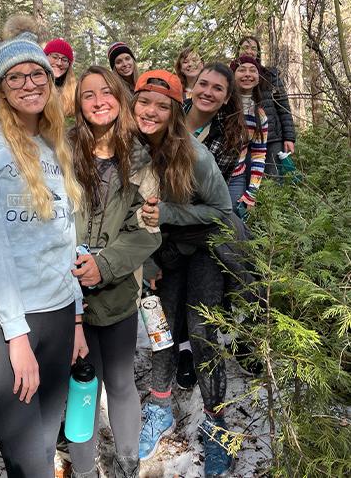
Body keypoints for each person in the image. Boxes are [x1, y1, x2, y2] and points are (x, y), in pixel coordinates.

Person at [0, 31, 86, 478]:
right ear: (1, 89)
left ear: (51, 82)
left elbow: (67, 239)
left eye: (38, 74)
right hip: (3, 322)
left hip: (57, 310)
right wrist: (16, 336)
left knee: (44, 446)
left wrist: (77, 318)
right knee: (30, 459)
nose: (30, 84)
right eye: (16, 78)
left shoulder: (55, 145)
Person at [133, 70, 235, 478]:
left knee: (201, 331)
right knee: (160, 327)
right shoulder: (129, 148)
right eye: (145, 101)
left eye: (162, 105)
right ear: (133, 104)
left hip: (206, 246)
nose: (151, 111)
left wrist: (171, 213)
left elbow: (223, 212)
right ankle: (159, 408)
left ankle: (216, 424)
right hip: (162, 251)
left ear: (176, 111)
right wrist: (147, 260)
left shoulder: (194, 154)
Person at [67, 66, 161, 478]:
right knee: (85, 386)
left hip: (119, 290)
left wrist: (103, 265)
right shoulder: (61, 151)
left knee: (121, 382)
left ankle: (127, 464)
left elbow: (147, 231)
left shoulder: (139, 158)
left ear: (121, 100)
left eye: (107, 92)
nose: (99, 100)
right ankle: (85, 471)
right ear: (78, 104)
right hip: (66, 297)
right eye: (89, 95)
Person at [176, 62, 247, 390]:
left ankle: (236, 328)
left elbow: (215, 194)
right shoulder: (170, 116)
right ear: (192, 85)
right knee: (229, 228)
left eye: (217, 88)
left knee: (206, 279)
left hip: (202, 220)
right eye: (203, 84)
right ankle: (184, 349)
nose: (208, 92)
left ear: (226, 97)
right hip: (166, 219)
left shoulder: (229, 135)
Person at [236, 35, 296, 176]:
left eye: (253, 49)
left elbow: (283, 107)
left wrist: (289, 138)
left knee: (273, 182)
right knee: (245, 179)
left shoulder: (270, 75)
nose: (249, 51)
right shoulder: (232, 76)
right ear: (238, 51)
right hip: (243, 139)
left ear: (258, 53)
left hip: (272, 138)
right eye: (245, 47)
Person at [228, 56, 268, 218]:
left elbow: (259, 155)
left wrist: (251, 192)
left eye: (253, 71)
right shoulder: (222, 104)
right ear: (232, 76)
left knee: (232, 223)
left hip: (236, 176)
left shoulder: (260, 116)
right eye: (241, 70)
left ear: (258, 79)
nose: (247, 74)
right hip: (209, 175)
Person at [44, 37, 76, 117]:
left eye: (64, 60)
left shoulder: (75, 93)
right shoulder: (34, 87)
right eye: (55, 57)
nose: (59, 63)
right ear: (45, 57)